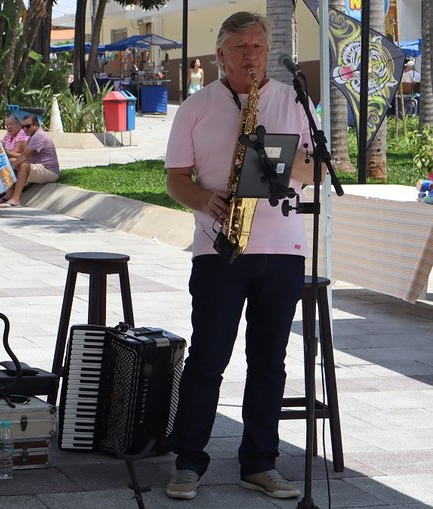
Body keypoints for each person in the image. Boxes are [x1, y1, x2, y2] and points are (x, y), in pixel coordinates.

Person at [164, 11, 316, 501]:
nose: (252, 55)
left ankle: (260, 463)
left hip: (283, 249)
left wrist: (283, 157)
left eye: (258, 46)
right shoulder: (195, 107)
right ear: (220, 54)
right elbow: (175, 178)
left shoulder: (294, 99)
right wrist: (204, 199)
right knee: (208, 358)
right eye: (241, 47)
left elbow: (313, 170)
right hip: (220, 248)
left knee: (269, 361)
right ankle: (188, 463)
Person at [0, 114, 59, 208]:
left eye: (28, 126)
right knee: (10, 162)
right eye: (23, 127)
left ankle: (16, 199)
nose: (25, 129)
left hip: (49, 171)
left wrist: (12, 168)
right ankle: (10, 193)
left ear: (36, 125)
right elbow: (23, 156)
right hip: (39, 167)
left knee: (23, 166)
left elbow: (25, 155)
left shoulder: (39, 136)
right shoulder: (31, 136)